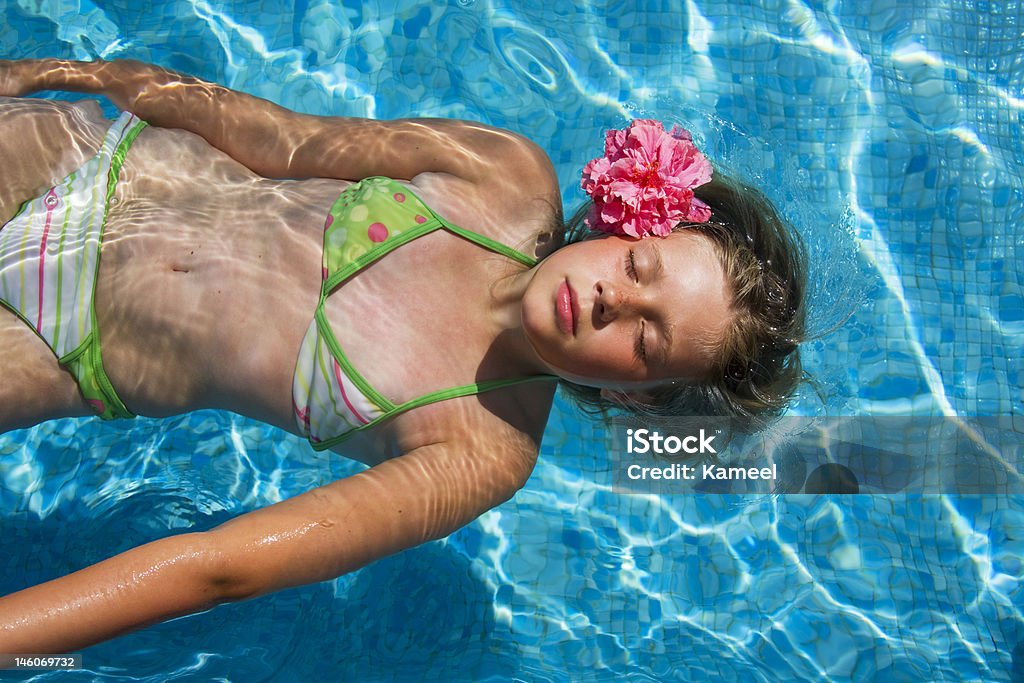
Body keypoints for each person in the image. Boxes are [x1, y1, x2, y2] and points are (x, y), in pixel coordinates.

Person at [0, 58, 805, 653]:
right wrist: (84, 73)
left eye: (646, 336)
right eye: (638, 267)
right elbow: (277, 138)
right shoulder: (501, 176)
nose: (613, 300)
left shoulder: (483, 448)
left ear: (640, 395)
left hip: (62, 348)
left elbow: (219, 567)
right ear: (625, 223)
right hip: (91, 164)